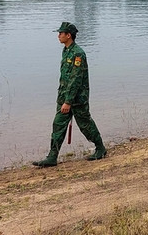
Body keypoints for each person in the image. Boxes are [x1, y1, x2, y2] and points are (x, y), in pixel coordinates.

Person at [33, 22, 107, 167]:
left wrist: (68, 102)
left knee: (85, 125)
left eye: (61, 33)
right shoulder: (66, 51)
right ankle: (52, 157)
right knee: (58, 125)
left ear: (68, 35)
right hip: (64, 97)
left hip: (77, 99)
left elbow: (75, 80)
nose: (58, 36)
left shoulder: (78, 54)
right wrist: (63, 99)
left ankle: (100, 148)